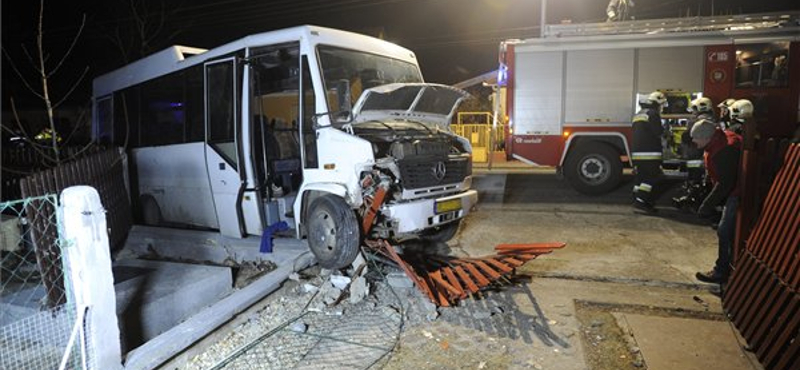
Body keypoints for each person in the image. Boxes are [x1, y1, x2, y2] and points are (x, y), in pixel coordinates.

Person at [690, 110, 744, 284]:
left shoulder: (724, 150)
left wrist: (706, 206)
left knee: (724, 231)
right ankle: (731, 266)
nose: (693, 141)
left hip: (736, 193)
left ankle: (721, 272)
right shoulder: (717, 141)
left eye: (696, 138)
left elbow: (725, 183)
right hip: (735, 191)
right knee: (729, 231)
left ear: (706, 138)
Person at [672, 97, 715, 211]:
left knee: (694, 180)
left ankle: (692, 204)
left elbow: (686, 137)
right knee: (703, 181)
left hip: (695, 156)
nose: (693, 111)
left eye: (695, 108)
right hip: (705, 156)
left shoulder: (696, 121)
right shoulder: (712, 120)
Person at [631, 91, 667, 213]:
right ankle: (641, 201)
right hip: (650, 153)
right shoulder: (653, 114)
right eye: (662, 105)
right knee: (650, 178)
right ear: (658, 104)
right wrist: (667, 131)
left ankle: (638, 200)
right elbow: (658, 132)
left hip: (637, 153)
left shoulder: (639, 114)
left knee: (640, 178)